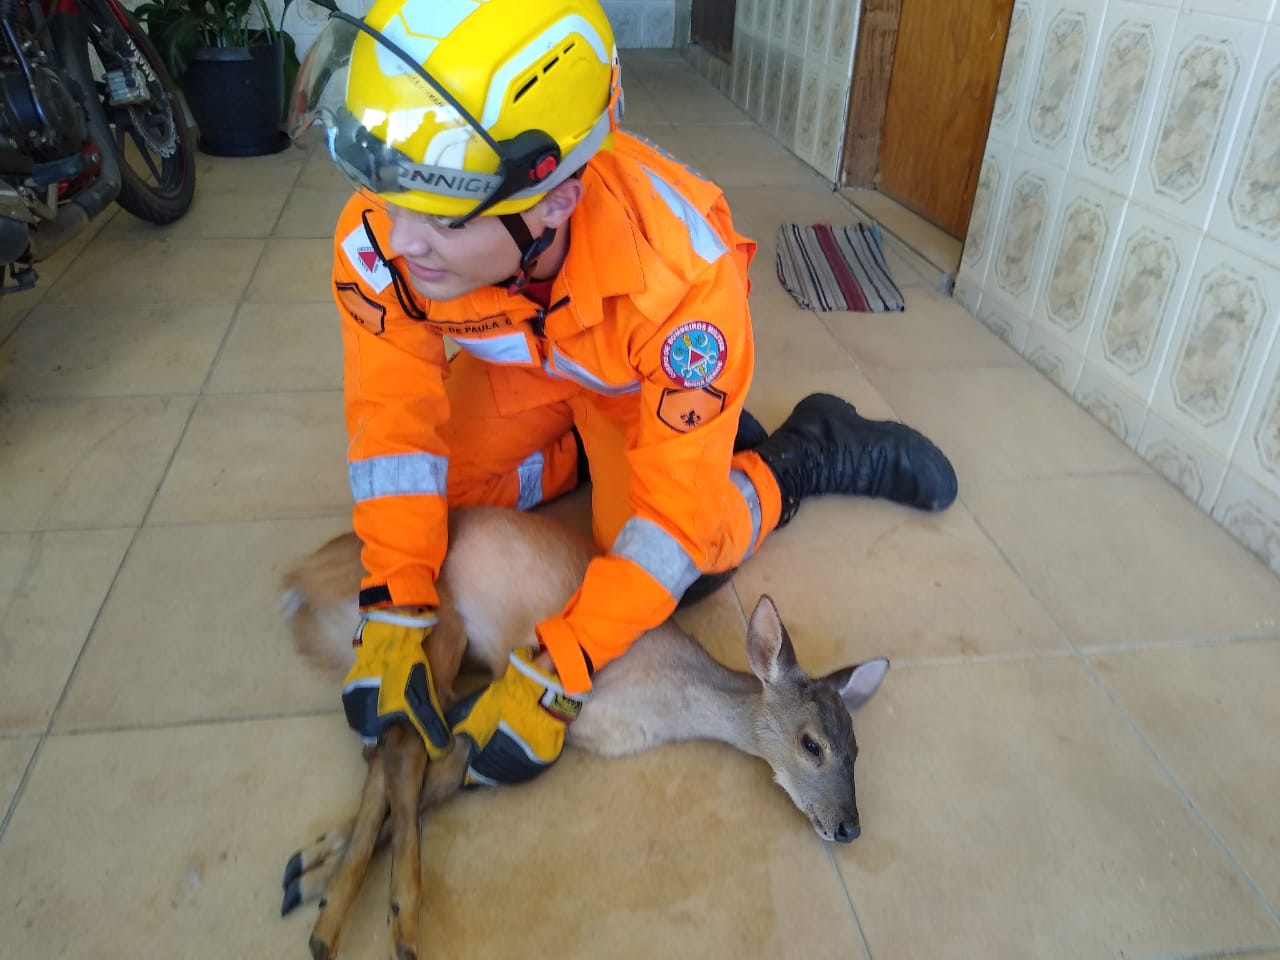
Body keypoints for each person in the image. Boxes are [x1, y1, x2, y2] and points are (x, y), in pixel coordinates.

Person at [288, 0, 957, 788]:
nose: (399, 237)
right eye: (389, 190)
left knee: (674, 560)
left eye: (442, 213)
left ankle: (804, 454)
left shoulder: (685, 276)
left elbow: (669, 525)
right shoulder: (378, 233)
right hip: (523, 369)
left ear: (553, 203)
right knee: (432, 501)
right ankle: (625, 447)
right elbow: (393, 424)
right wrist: (397, 601)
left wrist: (560, 665)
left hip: (629, 390)